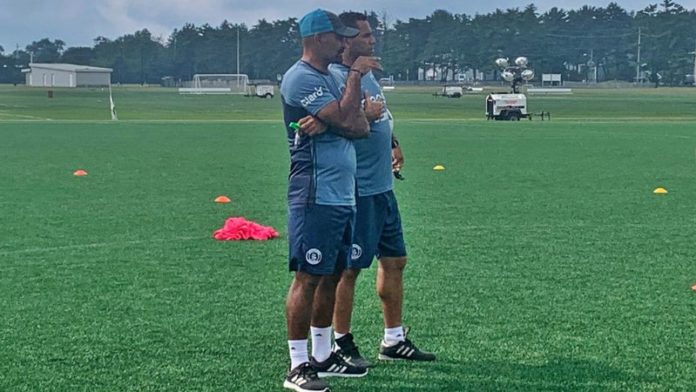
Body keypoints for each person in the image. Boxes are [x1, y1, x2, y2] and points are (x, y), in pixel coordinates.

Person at [280, 9, 381, 392]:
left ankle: (323, 355)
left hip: (341, 193)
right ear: (318, 38)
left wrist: (344, 118)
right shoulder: (301, 77)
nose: (344, 43)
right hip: (315, 193)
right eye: (338, 37)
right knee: (308, 277)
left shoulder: (327, 77)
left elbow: (357, 124)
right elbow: (350, 119)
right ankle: (297, 364)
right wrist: (354, 78)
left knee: (333, 275)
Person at [327, 12, 436, 367]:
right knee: (349, 269)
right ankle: (341, 341)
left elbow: (380, 114)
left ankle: (393, 339)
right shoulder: (334, 76)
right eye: (366, 36)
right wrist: (367, 117)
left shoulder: (369, 74)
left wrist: (393, 142)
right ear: (346, 39)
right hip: (357, 191)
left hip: (382, 188)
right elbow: (342, 121)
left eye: (372, 35)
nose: (373, 40)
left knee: (395, 260)